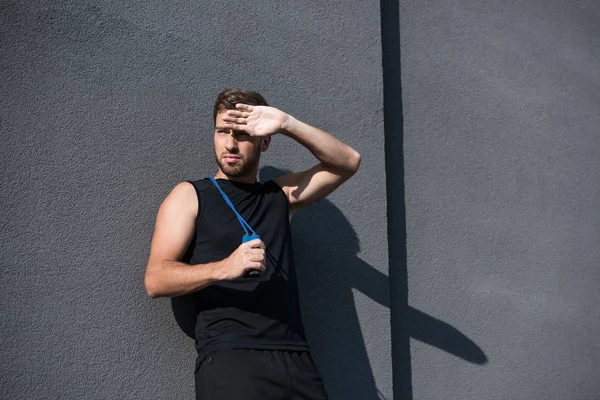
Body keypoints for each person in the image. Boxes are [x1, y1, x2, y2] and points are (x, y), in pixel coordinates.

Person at [144, 88, 361, 399]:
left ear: (264, 140)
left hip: (296, 359)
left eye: (243, 134)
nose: (231, 143)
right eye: (222, 132)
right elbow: (155, 279)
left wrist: (286, 123)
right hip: (232, 356)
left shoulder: (280, 197)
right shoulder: (190, 195)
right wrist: (224, 268)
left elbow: (347, 162)